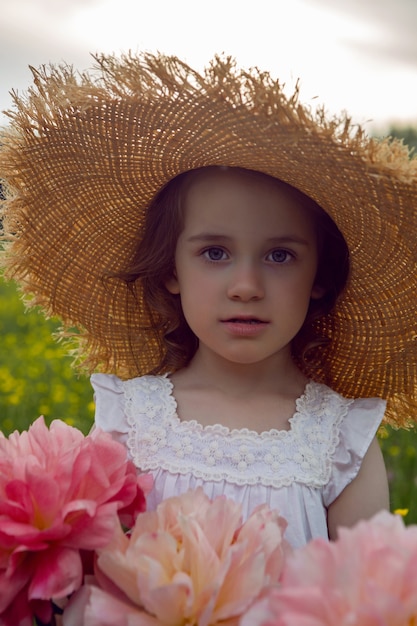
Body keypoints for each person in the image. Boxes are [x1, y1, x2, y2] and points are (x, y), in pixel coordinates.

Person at [1, 52, 416, 548]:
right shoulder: (128, 422)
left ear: (320, 277)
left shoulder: (341, 441)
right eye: (214, 252)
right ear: (171, 269)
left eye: (280, 255)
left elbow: (366, 601)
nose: (245, 285)